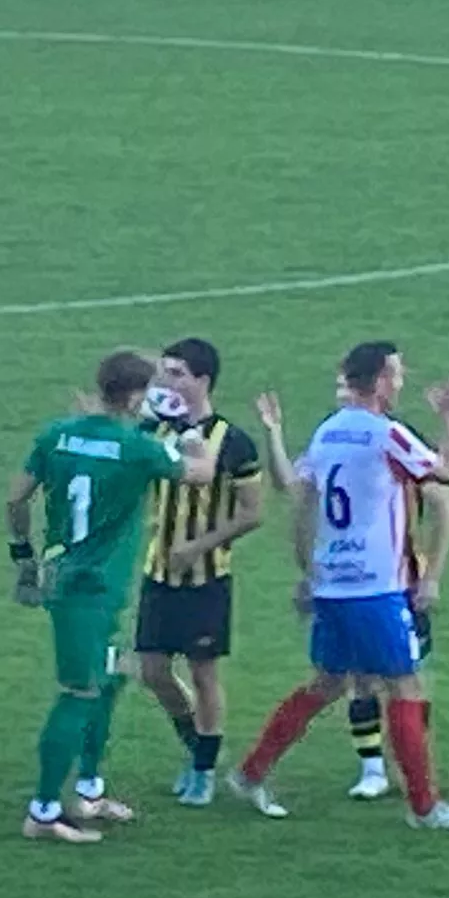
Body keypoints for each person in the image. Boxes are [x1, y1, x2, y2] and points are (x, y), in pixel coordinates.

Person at [229, 343, 449, 829]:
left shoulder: (328, 432)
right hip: (375, 586)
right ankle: (425, 808)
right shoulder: (387, 434)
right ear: (380, 380)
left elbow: (301, 499)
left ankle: (250, 773)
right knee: (405, 684)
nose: (401, 382)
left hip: (333, 583)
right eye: (396, 374)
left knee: (327, 683)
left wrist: (307, 569)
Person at [8, 350, 211, 843]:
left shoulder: (57, 434)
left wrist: (23, 554)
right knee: (77, 693)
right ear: (137, 396)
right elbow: (200, 471)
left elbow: (16, 497)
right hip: (88, 589)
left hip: (69, 577)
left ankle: (89, 790)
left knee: (114, 675)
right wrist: (188, 427)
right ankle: (43, 812)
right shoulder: (137, 447)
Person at [132, 338, 262, 807]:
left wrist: (198, 546)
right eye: (164, 372)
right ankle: (197, 746)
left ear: (203, 380)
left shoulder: (233, 441)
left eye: (178, 373)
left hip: (207, 577)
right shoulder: (155, 431)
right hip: (158, 572)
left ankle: (203, 770)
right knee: (153, 671)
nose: (167, 382)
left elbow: (252, 513)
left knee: (204, 673)